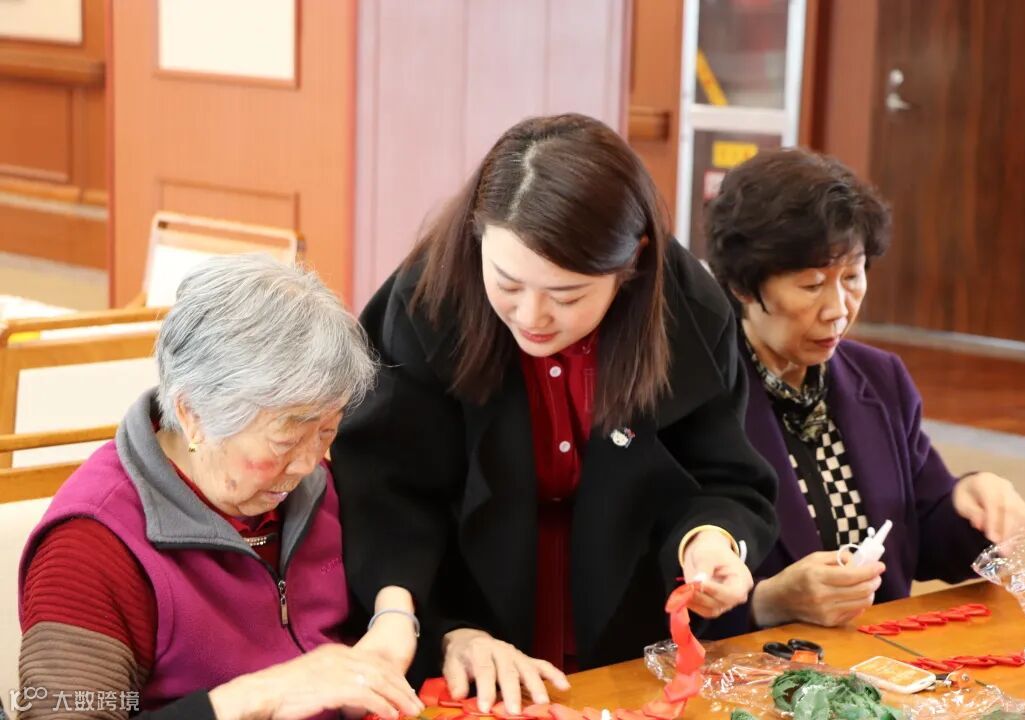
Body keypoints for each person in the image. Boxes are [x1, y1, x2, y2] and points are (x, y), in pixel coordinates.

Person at [330, 113, 779, 714]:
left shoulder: (687, 310)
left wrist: (711, 540)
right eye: (508, 283)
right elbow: (384, 490)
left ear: (632, 263)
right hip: (467, 619)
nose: (532, 316)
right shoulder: (427, 301)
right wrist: (438, 629)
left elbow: (723, 474)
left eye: (567, 295)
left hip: (628, 623)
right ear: (478, 237)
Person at [18, 255, 425, 720]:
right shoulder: (92, 546)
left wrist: (440, 630)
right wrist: (260, 694)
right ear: (192, 414)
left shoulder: (312, 491)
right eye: (285, 440)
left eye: (326, 432)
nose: (309, 462)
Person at [702, 148, 1025, 632]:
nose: (839, 308)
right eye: (812, 285)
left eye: (852, 276)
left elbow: (922, 537)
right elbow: (655, 592)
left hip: (878, 657)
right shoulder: (698, 395)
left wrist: (972, 503)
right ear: (742, 286)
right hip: (756, 666)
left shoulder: (879, 378)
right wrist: (768, 602)